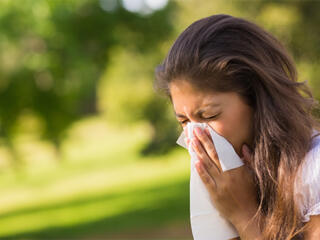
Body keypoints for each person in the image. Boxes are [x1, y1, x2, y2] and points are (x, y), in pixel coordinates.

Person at [153, 14, 320, 240]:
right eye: (183, 121)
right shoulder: (234, 181)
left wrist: (244, 215)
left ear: (256, 99)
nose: (196, 136)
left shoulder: (313, 171)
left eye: (209, 115)